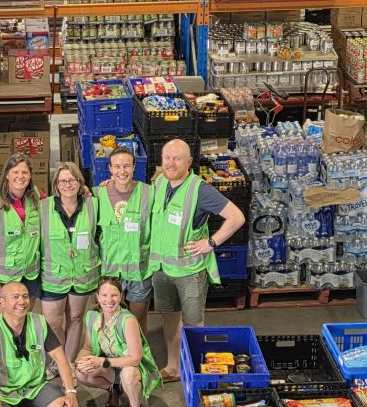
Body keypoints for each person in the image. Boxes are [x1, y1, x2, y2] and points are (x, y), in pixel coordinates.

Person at [148, 139, 246, 381]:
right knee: (169, 319)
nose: (170, 163)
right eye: (167, 157)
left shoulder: (200, 190)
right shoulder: (159, 182)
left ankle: (193, 372)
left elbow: (236, 217)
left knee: (192, 324)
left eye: (177, 158)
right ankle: (173, 368)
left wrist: (210, 243)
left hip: (190, 271)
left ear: (189, 162)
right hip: (162, 269)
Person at [75, 277, 162, 407]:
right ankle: (113, 390)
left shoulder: (127, 320)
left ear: (121, 296)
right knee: (81, 373)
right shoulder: (92, 316)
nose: (109, 300)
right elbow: (87, 347)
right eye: (104, 295)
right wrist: (80, 361)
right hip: (110, 366)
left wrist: (102, 361)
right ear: (97, 296)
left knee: (128, 373)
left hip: (130, 368)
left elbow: (135, 359)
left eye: (114, 295)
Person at [39, 161, 98, 362]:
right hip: (53, 275)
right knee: (53, 322)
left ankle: (70, 363)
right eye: (62, 181)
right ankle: (59, 362)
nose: (68, 184)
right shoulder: (43, 207)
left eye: (72, 180)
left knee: (75, 318)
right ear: (55, 184)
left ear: (80, 182)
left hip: (82, 274)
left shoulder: (93, 204)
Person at [0, 154, 43, 321]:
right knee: (1, 328)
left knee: (22, 324)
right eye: (15, 172)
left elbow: (62, 201)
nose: (20, 176)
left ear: (30, 175)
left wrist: (83, 191)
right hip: (0, 279)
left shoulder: (37, 197)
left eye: (25, 172)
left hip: (29, 276)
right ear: (7, 175)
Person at [94, 146, 153, 333]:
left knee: (137, 321)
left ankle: (139, 357)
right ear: (110, 169)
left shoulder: (148, 193)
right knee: (109, 320)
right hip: (110, 270)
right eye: (117, 167)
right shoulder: (97, 194)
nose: (122, 171)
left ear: (134, 167)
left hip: (139, 269)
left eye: (126, 166)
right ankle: (114, 355)